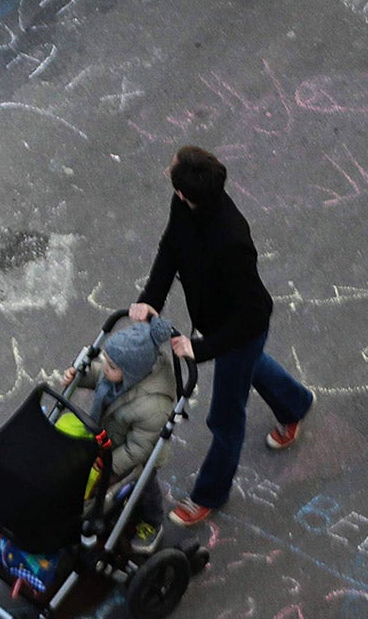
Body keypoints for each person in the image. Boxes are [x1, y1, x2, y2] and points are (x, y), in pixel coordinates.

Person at [130, 147, 313, 526]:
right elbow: (170, 250)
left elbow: (251, 314)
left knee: (225, 418)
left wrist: (200, 348)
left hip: (238, 332)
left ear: (186, 193)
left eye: (173, 172)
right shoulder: (184, 207)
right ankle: (295, 404)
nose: (168, 172)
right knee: (254, 367)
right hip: (220, 325)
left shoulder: (232, 240)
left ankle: (209, 495)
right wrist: (151, 299)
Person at [65, 317, 181, 553]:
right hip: (108, 436)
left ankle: (152, 522)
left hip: (139, 453)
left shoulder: (153, 407)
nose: (105, 368)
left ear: (130, 373)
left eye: (111, 366)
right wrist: (79, 376)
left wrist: (109, 465)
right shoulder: (118, 374)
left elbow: (138, 449)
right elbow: (100, 374)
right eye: (106, 361)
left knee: (144, 484)